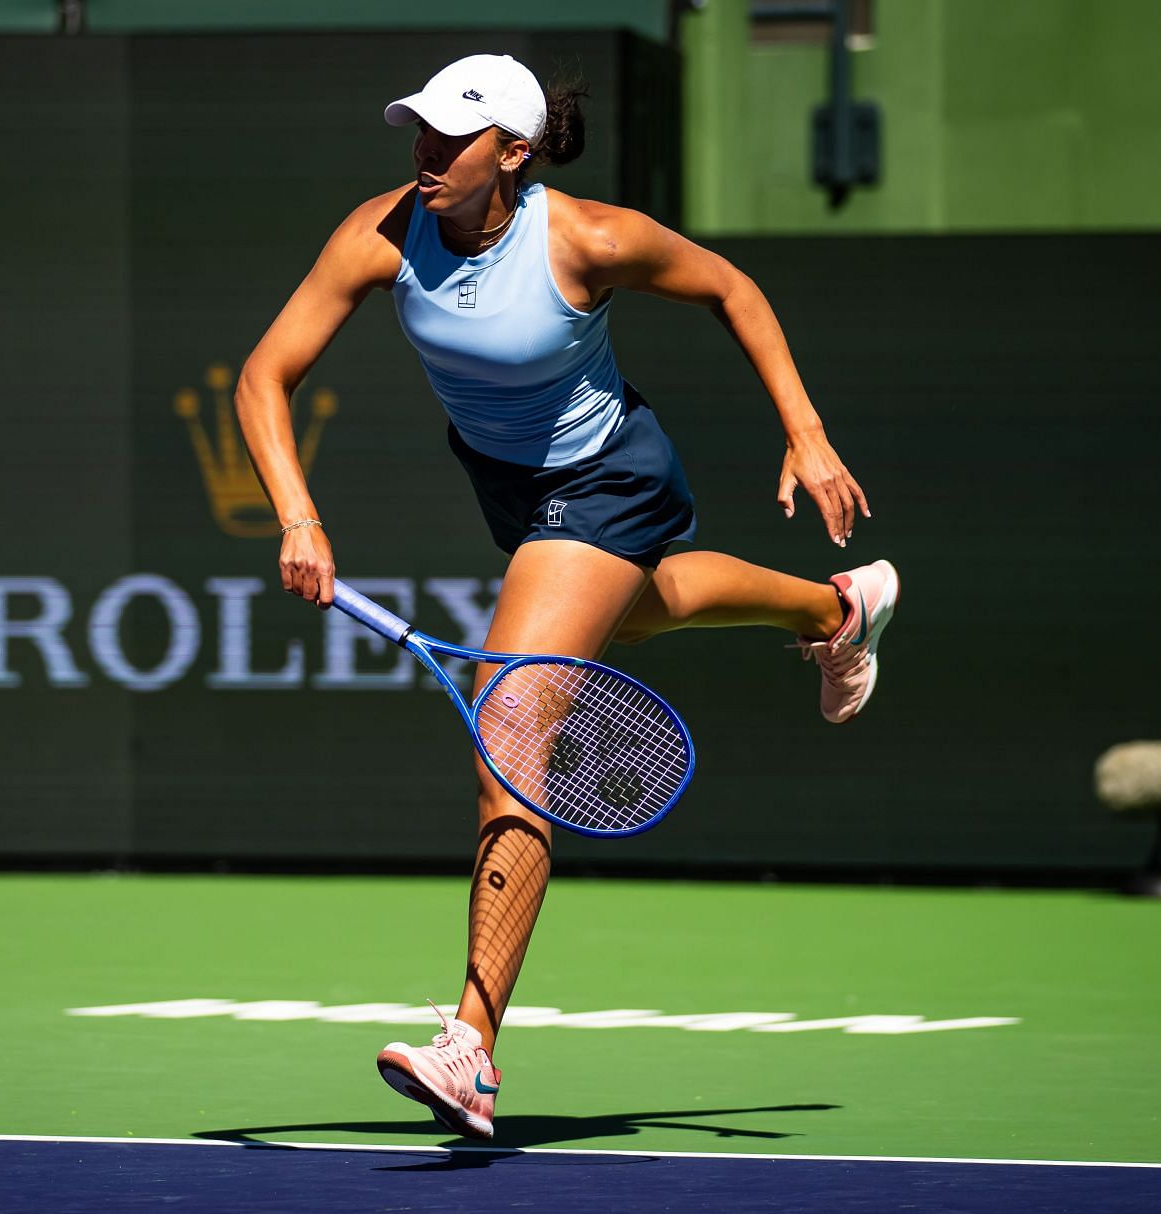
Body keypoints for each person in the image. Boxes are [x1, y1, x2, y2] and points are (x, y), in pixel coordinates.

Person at [235, 55, 898, 1140]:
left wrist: (807, 433)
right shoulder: (384, 232)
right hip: (512, 490)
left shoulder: (586, 237)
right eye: (421, 131)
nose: (425, 154)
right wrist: (298, 514)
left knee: (512, 727)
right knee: (643, 606)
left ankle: (471, 1046)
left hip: (607, 478)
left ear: (514, 150)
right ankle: (835, 613)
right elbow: (264, 375)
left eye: (453, 138)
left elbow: (732, 288)